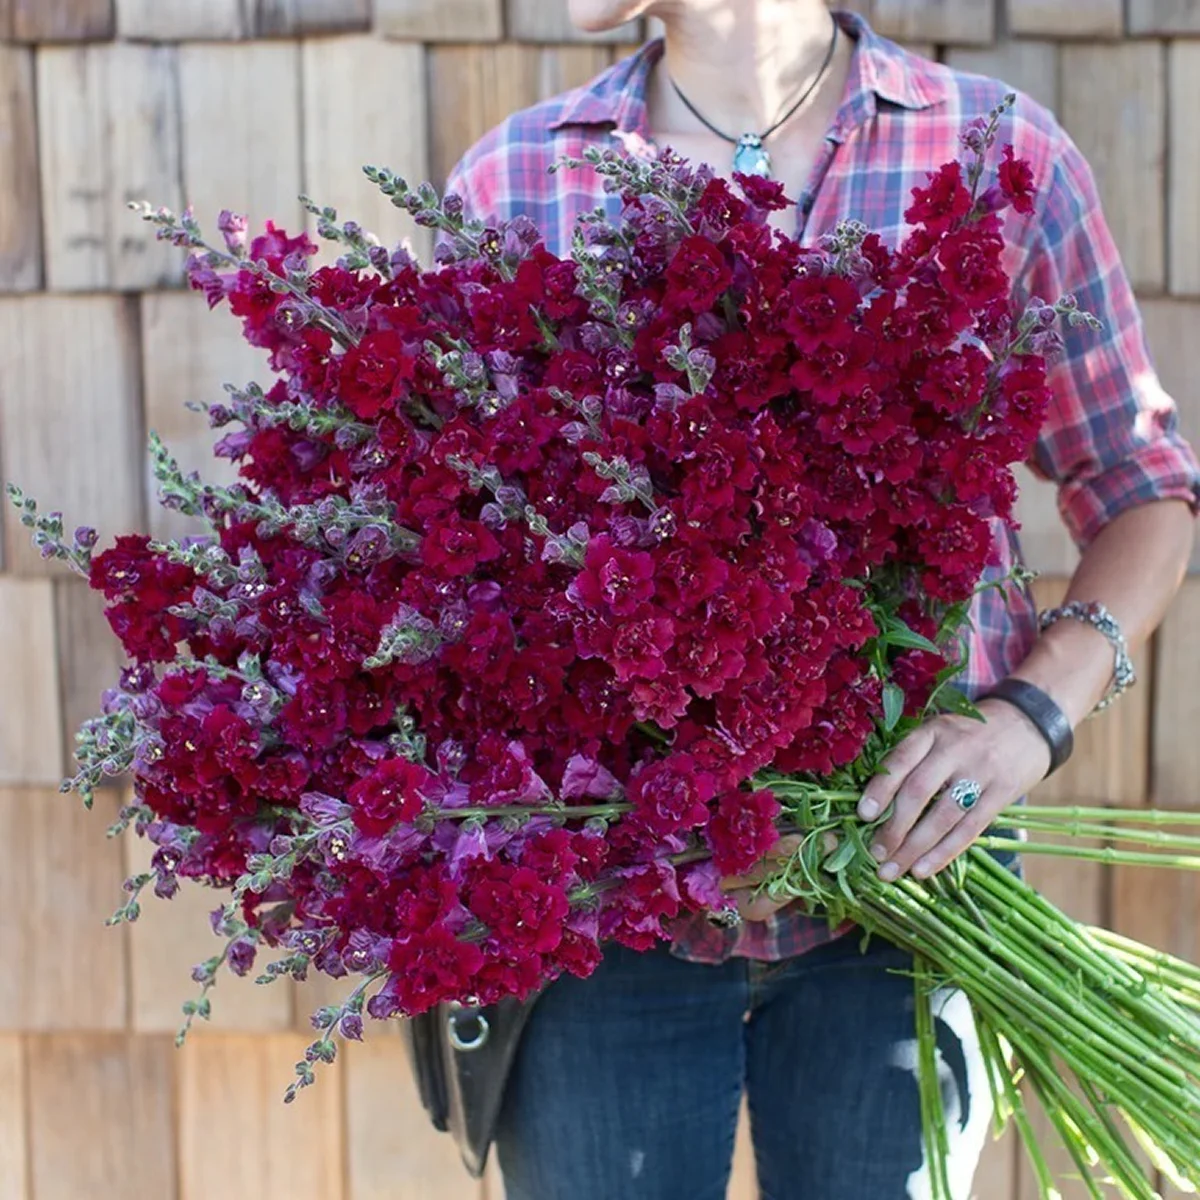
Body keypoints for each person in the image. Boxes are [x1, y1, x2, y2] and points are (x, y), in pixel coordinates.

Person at [442, 3, 1200, 1197]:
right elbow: (452, 553)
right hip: (610, 914)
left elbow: (1143, 485)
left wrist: (1028, 719)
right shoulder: (516, 180)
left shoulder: (995, 148)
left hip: (910, 888)